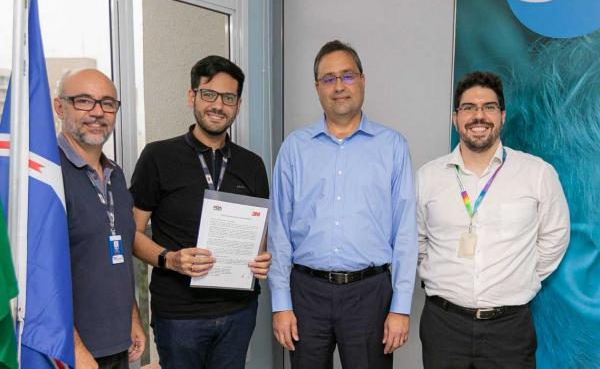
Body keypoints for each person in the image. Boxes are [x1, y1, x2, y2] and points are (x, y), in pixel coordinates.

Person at [268, 40, 418, 368]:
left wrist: (401, 307)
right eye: (329, 78)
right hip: (306, 294)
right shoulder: (294, 148)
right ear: (317, 87)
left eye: (347, 76)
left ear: (362, 80)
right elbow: (279, 231)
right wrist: (280, 303)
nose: (339, 86)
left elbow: (406, 233)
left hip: (370, 294)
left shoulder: (392, 146)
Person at [416, 71, 570, 368]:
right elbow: (417, 240)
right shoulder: (427, 177)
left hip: (509, 329)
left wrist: (521, 275)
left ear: (502, 116)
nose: (479, 116)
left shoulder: (537, 173)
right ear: (455, 118)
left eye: (488, 107)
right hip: (444, 326)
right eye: (469, 108)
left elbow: (555, 236)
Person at [129, 55, 271, 369]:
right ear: (191, 96)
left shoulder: (252, 165)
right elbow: (132, 234)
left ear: (238, 105)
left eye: (228, 98)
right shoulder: (158, 156)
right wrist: (170, 259)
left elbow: (259, 239)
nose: (218, 105)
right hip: (179, 315)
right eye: (209, 94)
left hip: (238, 311)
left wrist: (262, 258)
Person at [54, 69, 145, 369]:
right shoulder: (47, 177)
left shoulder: (115, 175)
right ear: (59, 107)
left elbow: (117, 255)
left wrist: (132, 316)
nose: (97, 112)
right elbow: (39, 274)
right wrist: (74, 348)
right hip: (72, 352)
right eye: (84, 101)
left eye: (107, 103)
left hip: (117, 344)